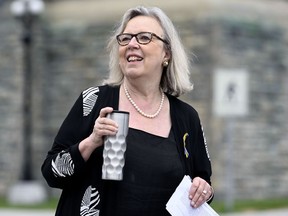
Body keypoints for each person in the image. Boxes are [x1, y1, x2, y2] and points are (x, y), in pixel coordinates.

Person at [41, 5, 214, 216]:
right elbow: (51, 172)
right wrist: (91, 142)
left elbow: (203, 182)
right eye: (125, 38)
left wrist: (203, 188)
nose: (132, 44)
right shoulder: (95, 100)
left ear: (166, 53)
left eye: (144, 37)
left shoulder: (186, 118)